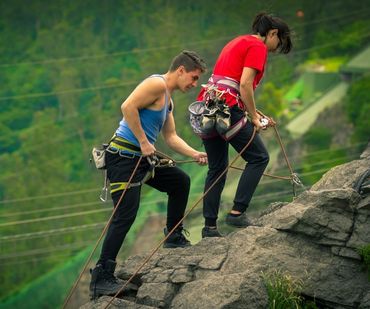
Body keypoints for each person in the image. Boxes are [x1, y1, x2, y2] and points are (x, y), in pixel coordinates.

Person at [89, 50, 208, 299]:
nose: (194, 84)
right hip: (123, 157)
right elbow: (127, 106)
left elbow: (171, 137)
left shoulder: (169, 100)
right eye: (194, 77)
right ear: (181, 70)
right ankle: (102, 277)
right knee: (125, 215)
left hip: (142, 159)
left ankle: (173, 236)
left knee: (179, 181)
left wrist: (195, 153)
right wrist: (144, 141)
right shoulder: (156, 84)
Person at [197, 12, 292, 238]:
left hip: (208, 106)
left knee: (217, 167)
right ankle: (237, 212)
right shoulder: (257, 47)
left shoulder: (237, 41)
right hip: (228, 108)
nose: (275, 47)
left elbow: (228, 82)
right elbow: (245, 83)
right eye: (278, 42)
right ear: (273, 33)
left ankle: (209, 227)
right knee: (259, 157)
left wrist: (254, 112)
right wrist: (254, 118)